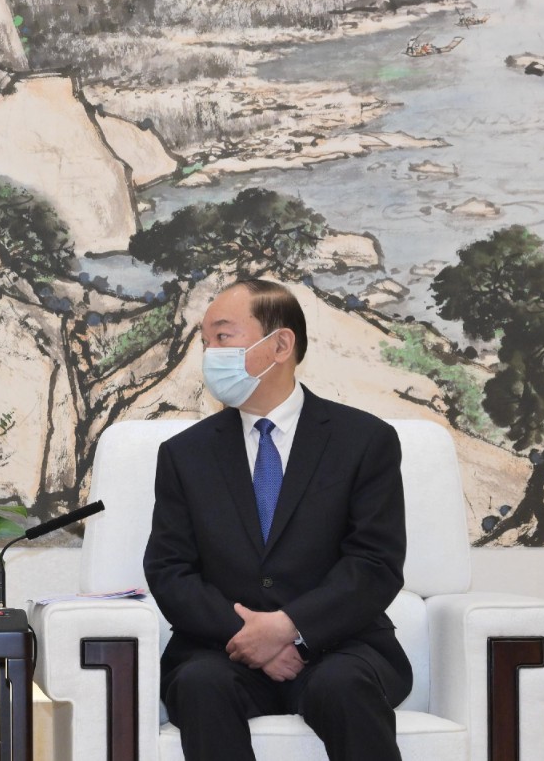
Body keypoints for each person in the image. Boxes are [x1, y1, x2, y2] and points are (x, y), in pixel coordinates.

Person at [143, 279, 409, 761]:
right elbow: (169, 569)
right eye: (205, 342)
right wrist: (249, 637)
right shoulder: (185, 454)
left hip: (340, 645)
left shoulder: (364, 441)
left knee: (344, 684)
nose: (210, 353)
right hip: (222, 649)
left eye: (223, 337)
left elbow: (375, 563)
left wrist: (290, 627)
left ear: (281, 344)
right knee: (201, 684)